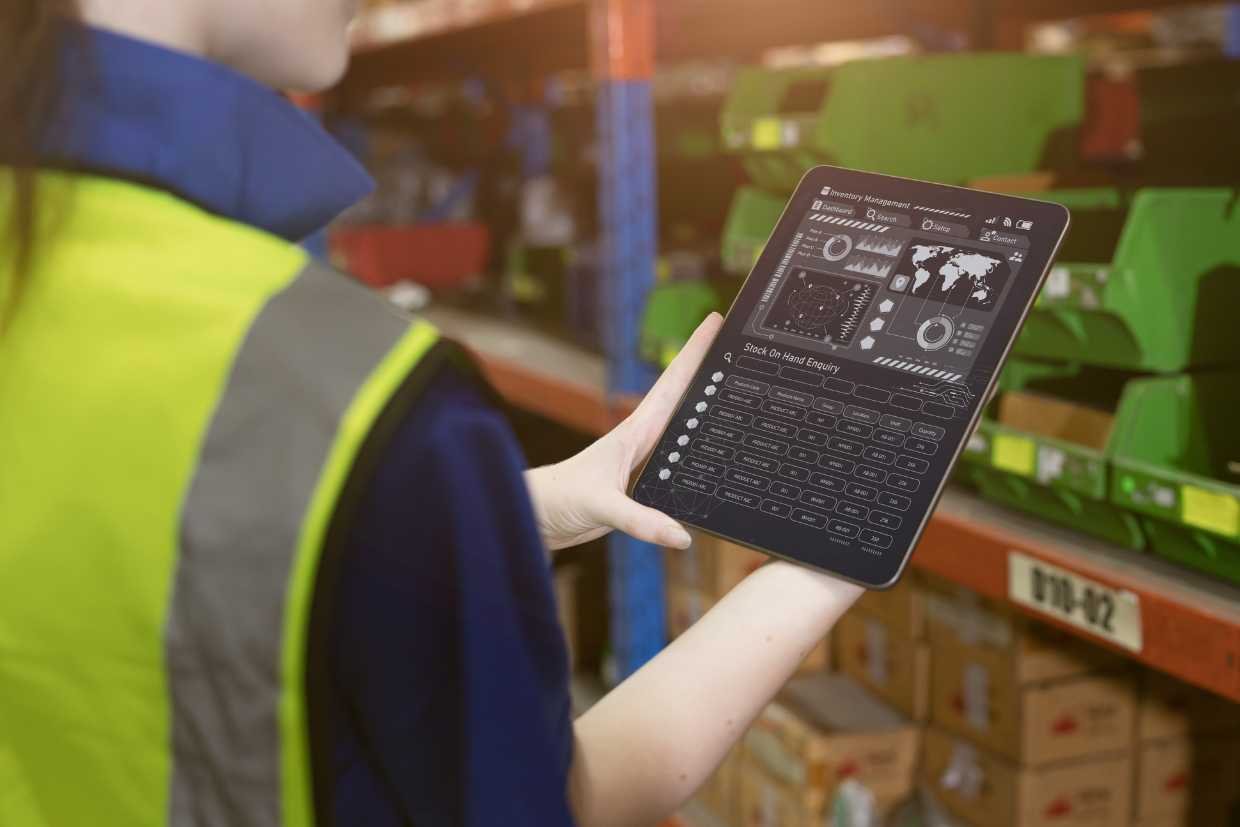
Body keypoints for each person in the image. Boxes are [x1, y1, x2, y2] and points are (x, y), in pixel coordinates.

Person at [0, 2, 862, 825]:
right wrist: (820, 566)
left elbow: (115, 541)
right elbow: (561, 800)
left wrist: (501, 515)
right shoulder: (353, 395)